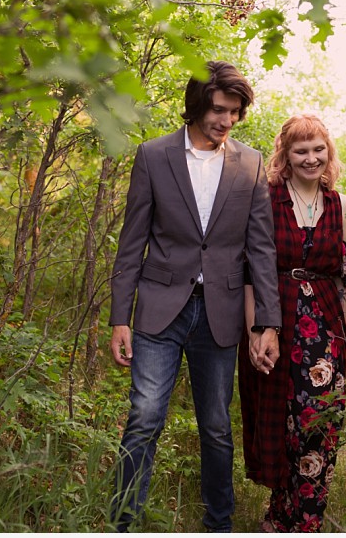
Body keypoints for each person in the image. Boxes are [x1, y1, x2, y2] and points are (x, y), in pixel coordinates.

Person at [108, 61, 282, 532]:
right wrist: (119, 318)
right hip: (160, 309)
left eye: (235, 113)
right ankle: (124, 521)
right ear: (198, 105)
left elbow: (260, 249)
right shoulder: (153, 155)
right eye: (220, 110)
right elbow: (131, 242)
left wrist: (268, 321)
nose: (226, 121)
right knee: (144, 417)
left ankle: (218, 524)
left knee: (216, 427)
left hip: (220, 315)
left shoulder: (250, 163)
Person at [239, 114, 346, 533]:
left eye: (318, 149)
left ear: (328, 153)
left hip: (325, 328)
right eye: (301, 150)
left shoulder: (340, 205)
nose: (311, 158)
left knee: (319, 424)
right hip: (277, 322)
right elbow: (252, 271)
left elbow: (345, 280)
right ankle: (278, 517)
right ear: (285, 156)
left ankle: (306, 522)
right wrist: (257, 330)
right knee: (281, 425)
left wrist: (343, 341)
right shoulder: (267, 198)